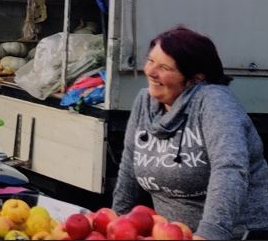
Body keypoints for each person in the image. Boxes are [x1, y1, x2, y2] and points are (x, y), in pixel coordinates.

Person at [113, 26, 268, 239]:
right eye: (150, 61)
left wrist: (209, 233)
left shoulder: (215, 102)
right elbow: (128, 167)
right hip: (175, 234)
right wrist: (116, 221)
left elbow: (229, 168)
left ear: (196, 78)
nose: (150, 72)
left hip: (239, 234)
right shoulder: (144, 102)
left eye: (164, 67)